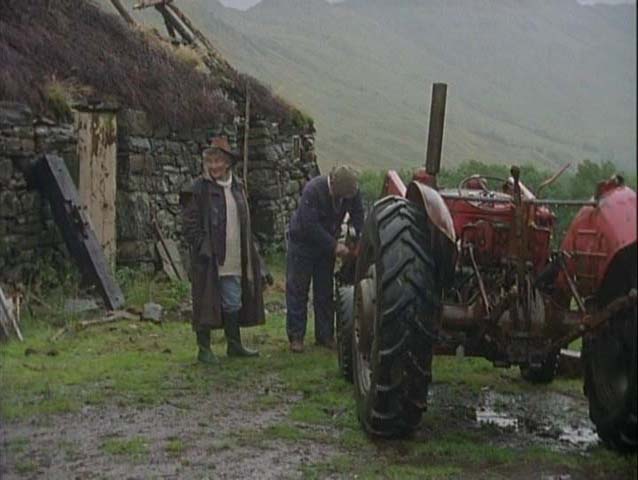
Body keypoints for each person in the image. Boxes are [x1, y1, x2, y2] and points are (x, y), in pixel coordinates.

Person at [183, 136, 264, 364]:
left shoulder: (238, 187)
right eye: (210, 162)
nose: (214, 166)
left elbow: (245, 222)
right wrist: (203, 247)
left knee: (233, 301)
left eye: (218, 161)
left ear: (228, 163)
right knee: (205, 302)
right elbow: (189, 223)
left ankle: (234, 345)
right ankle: (204, 349)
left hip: (235, 257)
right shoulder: (199, 188)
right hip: (208, 259)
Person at [286, 165, 364, 353]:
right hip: (302, 245)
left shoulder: (352, 191)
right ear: (334, 185)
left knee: (324, 291)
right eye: (343, 195)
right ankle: (296, 337)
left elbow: (358, 215)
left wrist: (356, 238)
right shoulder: (313, 190)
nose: (346, 199)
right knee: (298, 290)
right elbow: (309, 225)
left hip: (325, 248)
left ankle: (325, 336)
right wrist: (335, 246)